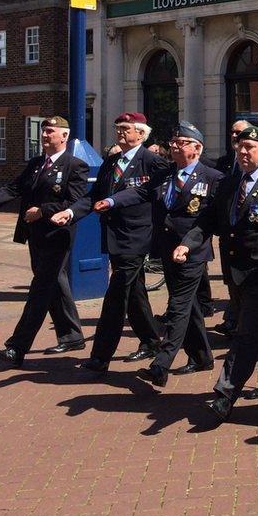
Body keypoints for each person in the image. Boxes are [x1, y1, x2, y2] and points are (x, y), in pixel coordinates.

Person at [176, 125, 258, 421]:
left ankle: (225, 393)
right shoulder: (227, 184)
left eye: (250, 147)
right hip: (234, 271)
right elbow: (207, 220)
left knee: (246, 333)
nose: (243, 152)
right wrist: (187, 244)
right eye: (240, 147)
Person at [96, 122, 223, 385]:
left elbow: (211, 219)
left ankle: (161, 364)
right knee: (189, 307)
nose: (175, 146)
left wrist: (190, 243)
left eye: (182, 142)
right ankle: (201, 356)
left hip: (192, 252)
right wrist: (110, 201)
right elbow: (140, 192)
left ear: (197, 148)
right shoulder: (165, 174)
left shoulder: (212, 178)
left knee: (177, 307)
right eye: (174, 142)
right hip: (166, 249)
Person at [0, 116, 88, 366]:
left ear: (64, 136)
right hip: (35, 235)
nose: (45, 136)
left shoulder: (74, 166)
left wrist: (43, 210)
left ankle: (17, 347)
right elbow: (13, 188)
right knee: (55, 282)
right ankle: (72, 335)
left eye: (50, 132)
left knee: (40, 289)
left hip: (57, 236)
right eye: (43, 132)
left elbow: (74, 202)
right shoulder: (36, 164)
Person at [50, 112, 167, 367]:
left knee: (115, 296)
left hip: (136, 237)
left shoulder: (153, 162)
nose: (120, 132)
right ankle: (150, 340)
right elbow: (94, 197)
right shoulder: (111, 161)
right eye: (118, 128)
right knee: (134, 292)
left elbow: (148, 195)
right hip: (113, 236)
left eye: (125, 128)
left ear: (141, 133)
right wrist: (70, 212)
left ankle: (100, 356)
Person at [210, 119, 251, 335]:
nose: (235, 137)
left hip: (248, 233)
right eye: (233, 133)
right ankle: (235, 319)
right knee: (231, 279)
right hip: (228, 231)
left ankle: (239, 322)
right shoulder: (224, 162)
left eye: (240, 133)